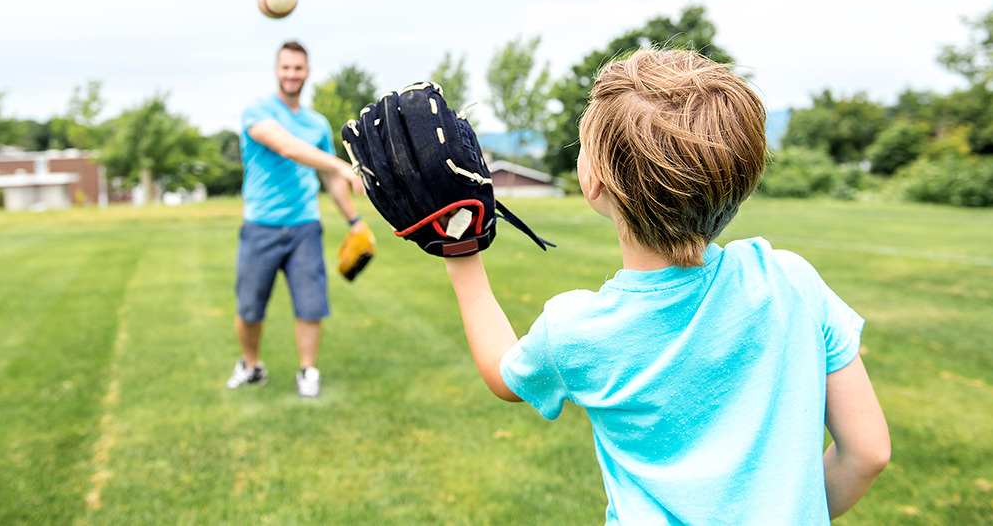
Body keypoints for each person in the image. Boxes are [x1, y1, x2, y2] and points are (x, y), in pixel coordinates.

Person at [443, 49, 890, 524]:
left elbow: (502, 374)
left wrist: (461, 253)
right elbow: (868, 453)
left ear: (594, 180)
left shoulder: (578, 332)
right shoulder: (791, 279)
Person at [227, 40, 366, 398]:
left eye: (298, 68)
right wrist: (342, 165)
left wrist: (355, 220)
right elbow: (288, 147)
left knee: (310, 304)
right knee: (249, 308)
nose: (292, 74)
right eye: (286, 67)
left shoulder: (317, 123)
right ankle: (251, 365)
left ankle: (308, 370)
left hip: (305, 225)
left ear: (307, 72)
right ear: (277, 70)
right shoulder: (257, 112)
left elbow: (330, 179)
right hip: (261, 225)